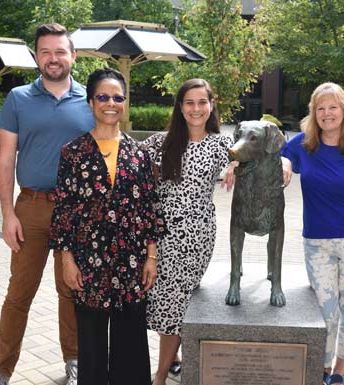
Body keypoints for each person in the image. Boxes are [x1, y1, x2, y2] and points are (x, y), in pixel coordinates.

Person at [0, 23, 95, 385]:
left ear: (73, 56)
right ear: (37, 57)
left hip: (78, 211)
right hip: (31, 208)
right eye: (46, 52)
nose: (53, 58)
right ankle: (2, 369)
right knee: (19, 293)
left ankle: (75, 360)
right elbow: (5, 160)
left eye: (60, 51)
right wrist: (7, 214)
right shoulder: (18, 98)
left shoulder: (91, 100)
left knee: (71, 290)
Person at [49, 68, 162, 385]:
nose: (110, 103)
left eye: (117, 97)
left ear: (124, 103)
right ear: (90, 102)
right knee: (92, 342)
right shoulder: (73, 153)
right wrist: (67, 260)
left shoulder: (139, 154)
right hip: (88, 260)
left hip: (132, 260)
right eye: (103, 96)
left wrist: (151, 258)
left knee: (131, 341)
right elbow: (65, 209)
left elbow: (148, 208)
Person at [281, 82, 344, 385]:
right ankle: (320, 364)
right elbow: (280, 154)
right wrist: (283, 164)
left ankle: (339, 369)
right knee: (325, 308)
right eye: (320, 108)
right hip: (317, 242)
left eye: (333, 107)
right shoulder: (303, 144)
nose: (327, 113)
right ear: (313, 113)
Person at [144, 78, 234, 385]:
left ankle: (159, 376)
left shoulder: (222, 144)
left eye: (202, 102)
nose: (196, 109)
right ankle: (173, 359)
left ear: (211, 106)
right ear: (180, 107)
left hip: (195, 235)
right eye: (189, 103)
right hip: (158, 233)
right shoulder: (161, 142)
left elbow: (259, 156)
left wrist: (283, 161)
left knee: (174, 303)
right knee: (159, 300)